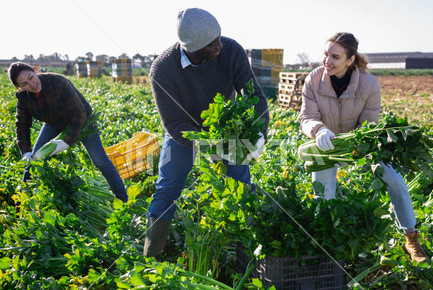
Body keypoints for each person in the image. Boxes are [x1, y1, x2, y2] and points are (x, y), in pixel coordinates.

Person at [145, 8, 270, 259]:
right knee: (167, 189)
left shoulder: (231, 51)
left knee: (240, 187)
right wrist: (211, 147)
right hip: (184, 134)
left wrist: (259, 134)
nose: (220, 46)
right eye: (212, 43)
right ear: (192, 47)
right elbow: (175, 123)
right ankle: (150, 258)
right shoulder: (163, 70)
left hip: (228, 130)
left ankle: (243, 255)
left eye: (219, 37)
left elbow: (254, 96)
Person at [299, 32, 429, 263]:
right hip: (326, 144)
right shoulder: (313, 79)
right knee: (323, 193)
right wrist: (318, 129)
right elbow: (307, 116)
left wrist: (355, 145)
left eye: (335, 57)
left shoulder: (369, 84)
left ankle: (411, 237)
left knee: (396, 182)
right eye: (326, 54)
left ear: (350, 60)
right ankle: (328, 245)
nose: (327, 61)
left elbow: (369, 125)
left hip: (360, 146)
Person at [8, 62, 128, 203]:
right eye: (24, 84)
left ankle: (123, 200)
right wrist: (26, 152)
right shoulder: (23, 98)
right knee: (34, 160)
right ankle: (20, 204)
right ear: (19, 88)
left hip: (82, 121)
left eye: (31, 77)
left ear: (35, 71)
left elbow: (79, 113)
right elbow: (22, 125)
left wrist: (66, 142)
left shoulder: (58, 82)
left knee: (100, 161)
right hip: (54, 123)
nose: (32, 84)